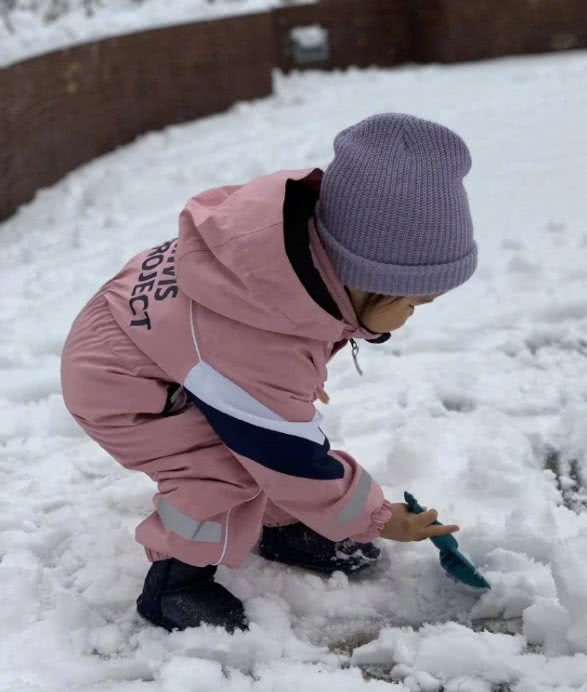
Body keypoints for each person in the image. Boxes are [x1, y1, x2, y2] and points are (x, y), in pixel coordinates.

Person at [60, 113, 477, 633]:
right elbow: (288, 454)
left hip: (152, 340)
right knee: (224, 464)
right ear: (370, 280)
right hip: (123, 381)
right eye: (414, 302)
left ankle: (283, 529)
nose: (411, 316)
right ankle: (175, 584)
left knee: (257, 426)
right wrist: (375, 516)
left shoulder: (289, 266)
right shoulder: (261, 336)